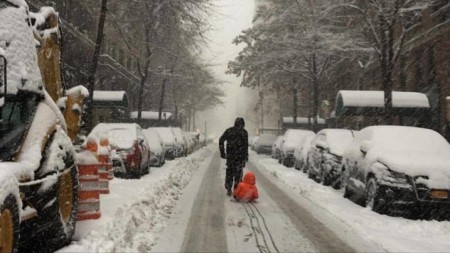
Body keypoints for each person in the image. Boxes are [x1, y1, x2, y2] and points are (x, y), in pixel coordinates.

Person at [219, 117, 249, 196]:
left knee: (230, 172)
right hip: (239, 157)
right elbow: (245, 145)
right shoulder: (244, 132)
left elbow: (221, 140)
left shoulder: (229, 131)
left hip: (231, 156)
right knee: (238, 174)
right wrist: (245, 156)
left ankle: (229, 187)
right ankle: (237, 188)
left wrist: (222, 152)